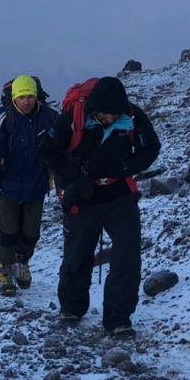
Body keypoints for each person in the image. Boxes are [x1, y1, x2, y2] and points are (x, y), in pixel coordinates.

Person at [41, 76, 160, 336]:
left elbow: (151, 148)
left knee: (127, 256)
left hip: (120, 195)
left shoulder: (133, 116)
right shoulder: (74, 118)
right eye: (105, 115)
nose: (110, 119)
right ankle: (71, 308)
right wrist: (74, 178)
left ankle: (118, 319)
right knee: (77, 253)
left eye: (115, 114)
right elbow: (48, 149)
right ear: (94, 109)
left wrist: (125, 168)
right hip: (82, 198)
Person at [0, 76, 55, 295]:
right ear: (14, 97)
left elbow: (61, 139)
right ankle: (4, 270)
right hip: (9, 185)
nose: (26, 101)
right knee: (9, 230)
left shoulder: (49, 116)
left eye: (30, 96)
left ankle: (21, 261)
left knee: (31, 232)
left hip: (36, 184)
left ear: (36, 96)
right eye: (22, 97)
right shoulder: (4, 116)